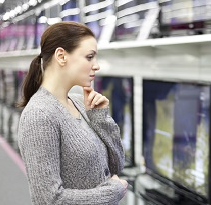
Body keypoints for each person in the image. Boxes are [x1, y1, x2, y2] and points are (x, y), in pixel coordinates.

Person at [17, 21, 128, 205]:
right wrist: (113, 192)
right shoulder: (39, 115)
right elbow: (49, 200)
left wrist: (100, 119)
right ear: (61, 56)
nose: (96, 65)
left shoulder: (79, 103)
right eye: (89, 57)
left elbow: (116, 165)